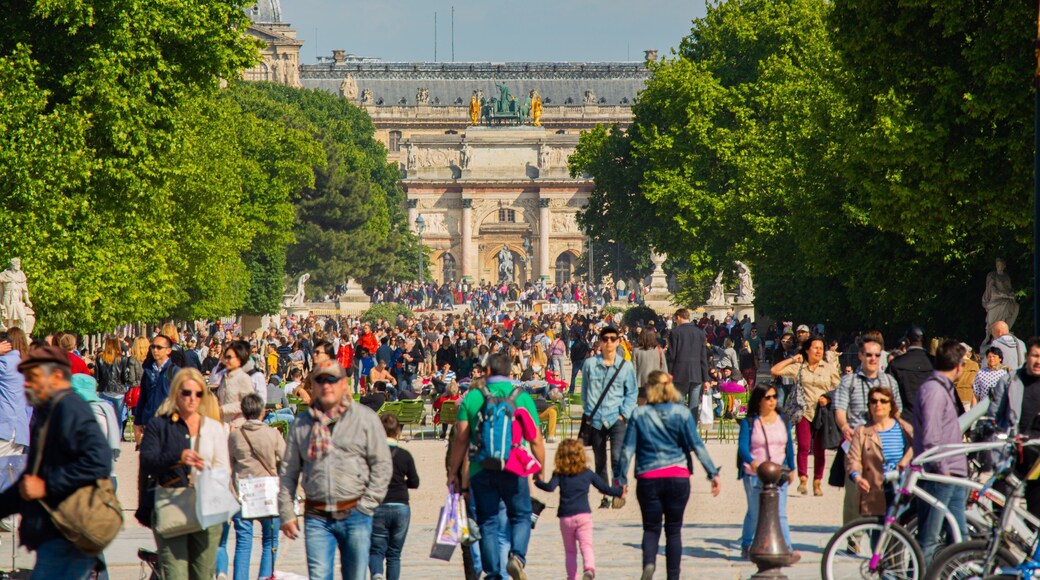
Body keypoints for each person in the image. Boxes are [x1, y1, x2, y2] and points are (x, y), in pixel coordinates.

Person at [0, 346, 112, 579]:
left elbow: (98, 461)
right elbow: (30, 478)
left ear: (57, 377)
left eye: (33, 378)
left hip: (69, 530)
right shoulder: (49, 411)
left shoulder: (71, 409)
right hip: (54, 529)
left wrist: (47, 486)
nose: (26, 385)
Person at [277, 361, 392, 580]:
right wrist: (286, 511)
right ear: (313, 386)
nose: (327, 385)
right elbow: (289, 471)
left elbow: (382, 464)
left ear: (343, 384)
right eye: (321, 380)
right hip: (317, 516)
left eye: (332, 380)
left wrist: (367, 504)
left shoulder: (364, 418)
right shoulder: (303, 423)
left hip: (356, 512)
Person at [447, 352, 546, 580]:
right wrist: (540, 467)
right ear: (510, 372)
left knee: (488, 522)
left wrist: (454, 473)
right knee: (521, 515)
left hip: (481, 467)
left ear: (488, 371)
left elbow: (461, 438)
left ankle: (492, 573)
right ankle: (517, 557)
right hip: (514, 466)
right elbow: (536, 439)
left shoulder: (473, 396)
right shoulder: (521, 396)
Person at [614, 370, 720, 580]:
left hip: (648, 475)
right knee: (673, 531)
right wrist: (712, 473)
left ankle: (650, 563)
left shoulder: (639, 414)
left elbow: (627, 450)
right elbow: (696, 445)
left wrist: (621, 479)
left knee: (651, 528)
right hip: (677, 474)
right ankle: (673, 576)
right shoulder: (681, 413)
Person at [138, 367, 228, 580]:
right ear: (176, 393)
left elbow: (223, 469)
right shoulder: (159, 426)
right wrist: (178, 456)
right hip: (172, 503)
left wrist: (209, 472)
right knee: (175, 574)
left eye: (198, 394)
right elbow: (147, 461)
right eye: (186, 393)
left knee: (202, 575)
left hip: (206, 507)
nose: (192, 399)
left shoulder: (213, 428)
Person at [832, 336, 902, 527]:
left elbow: (898, 412)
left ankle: (881, 535)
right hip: (857, 443)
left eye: (877, 355)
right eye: (869, 354)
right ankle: (853, 535)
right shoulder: (849, 381)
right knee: (855, 496)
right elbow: (839, 410)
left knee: (885, 494)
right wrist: (845, 427)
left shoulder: (889, 382)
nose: (873, 358)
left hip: (884, 443)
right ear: (861, 355)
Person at [913, 340, 968, 566]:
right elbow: (931, 438)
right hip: (941, 474)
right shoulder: (934, 390)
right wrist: (942, 471)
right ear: (958, 366)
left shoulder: (940, 388)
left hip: (951, 473)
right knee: (929, 538)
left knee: (960, 539)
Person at [534, 439, 622, 580]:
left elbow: (549, 487)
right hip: (583, 515)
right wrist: (619, 492)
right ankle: (589, 569)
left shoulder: (559, 473)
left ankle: (571, 577)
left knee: (570, 551)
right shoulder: (587, 473)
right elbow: (604, 488)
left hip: (565, 517)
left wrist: (537, 482)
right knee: (586, 545)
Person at [769, 336, 840, 496]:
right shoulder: (800, 367)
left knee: (819, 449)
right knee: (803, 446)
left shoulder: (829, 368)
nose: (818, 351)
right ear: (807, 350)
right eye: (815, 347)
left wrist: (828, 398)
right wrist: (793, 359)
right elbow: (775, 371)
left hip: (822, 413)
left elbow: (840, 387)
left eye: (821, 348)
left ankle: (817, 481)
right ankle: (803, 478)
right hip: (803, 412)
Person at [224, 394, 285, 580]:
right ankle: (265, 577)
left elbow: (231, 462)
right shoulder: (273, 434)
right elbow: (286, 459)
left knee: (243, 542)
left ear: (243, 411)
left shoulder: (235, 436)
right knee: (270, 541)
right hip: (268, 492)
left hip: (243, 492)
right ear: (262, 411)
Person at [737, 383, 797, 561]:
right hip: (755, 474)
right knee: (755, 512)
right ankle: (747, 543)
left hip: (778, 473)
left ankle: (787, 549)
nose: (772, 401)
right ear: (758, 401)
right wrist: (752, 462)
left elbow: (789, 447)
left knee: (780, 513)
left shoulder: (782, 419)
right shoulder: (750, 422)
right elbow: (742, 448)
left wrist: (793, 468)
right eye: (768, 398)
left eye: (774, 397)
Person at [581, 325, 638, 510]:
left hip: (617, 416)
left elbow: (632, 393)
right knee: (599, 460)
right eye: (605, 339)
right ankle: (605, 494)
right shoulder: (590, 364)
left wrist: (624, 414)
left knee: (617, 456)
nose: (609, 342)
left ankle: (618, 488)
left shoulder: (626, 366)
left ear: (618, 341)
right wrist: (589, 411)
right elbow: (584, 391)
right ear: (600, 341)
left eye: (613, 338)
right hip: (596, 417)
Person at [846, 386, 913, 517]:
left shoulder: (903, 428)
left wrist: (906, 460)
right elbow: (853, 459)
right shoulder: (861, 431)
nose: (878, 404)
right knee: (878, 534)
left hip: (901, 486)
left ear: (891, 405)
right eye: (873, 401)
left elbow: (919, 446)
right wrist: (858, 478)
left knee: (899, 532)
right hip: (875, 489)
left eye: (883, 401)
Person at [368, 414, 419, 580]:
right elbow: (415, 482)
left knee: (376, 549)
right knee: (394, 553)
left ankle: (376, 573)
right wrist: (403, 483)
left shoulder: (371, 454)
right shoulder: (404, 455)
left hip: (378, 503)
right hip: (401, 504)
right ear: (397, 431)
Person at [133, 334, 181, 444]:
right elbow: (143, 397)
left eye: (159, 347)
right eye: (153, 347)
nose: (155, 350)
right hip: (150, 422)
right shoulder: (148, 371)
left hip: (168, 423)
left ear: (168, 350)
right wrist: (138, 421)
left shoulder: (174, 371)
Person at [666, 308, 711, 423]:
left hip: (680, 373)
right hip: (697, 374)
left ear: (679, 317)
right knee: (693, 405)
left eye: (676, 319)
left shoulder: (675, 332)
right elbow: (703, 357)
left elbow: (671, 356)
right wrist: (706, 379)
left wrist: (669, 373)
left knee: (679, 403)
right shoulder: (700, 333)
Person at [887, 326, 934, 424]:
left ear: (907, 342)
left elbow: (886, 392)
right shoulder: (937, 363)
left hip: (906, 419)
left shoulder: (896, 364)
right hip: (933, 420)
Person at [0, 328, 30, 459]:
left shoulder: (5, 363)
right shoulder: (22, 363)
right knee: (11, 475)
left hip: (5, 427)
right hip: (20, 430)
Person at [95, 337, 128, 435]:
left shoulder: (100, 358)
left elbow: (97, 376)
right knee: (118, 419)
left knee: (105, 417)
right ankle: (117, 440)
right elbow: (124, 377)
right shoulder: (122, 358)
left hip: (104, 390)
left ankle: (106, 438)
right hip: (119, 392)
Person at [218, 341, 254, 426]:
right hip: (224, 426)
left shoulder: (243, 378)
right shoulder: (224, 379)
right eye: (225, 357)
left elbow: (248, 403)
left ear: (239, 359)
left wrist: (223, 409)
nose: (226, 360)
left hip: (239, 427)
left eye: (229, 357)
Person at [631, 329, 667, 403]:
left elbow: (633, 370)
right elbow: (664, 368)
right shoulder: (659, 350)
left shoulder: (636, 351)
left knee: (642, 409)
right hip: (656, 383)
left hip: (640, 383)